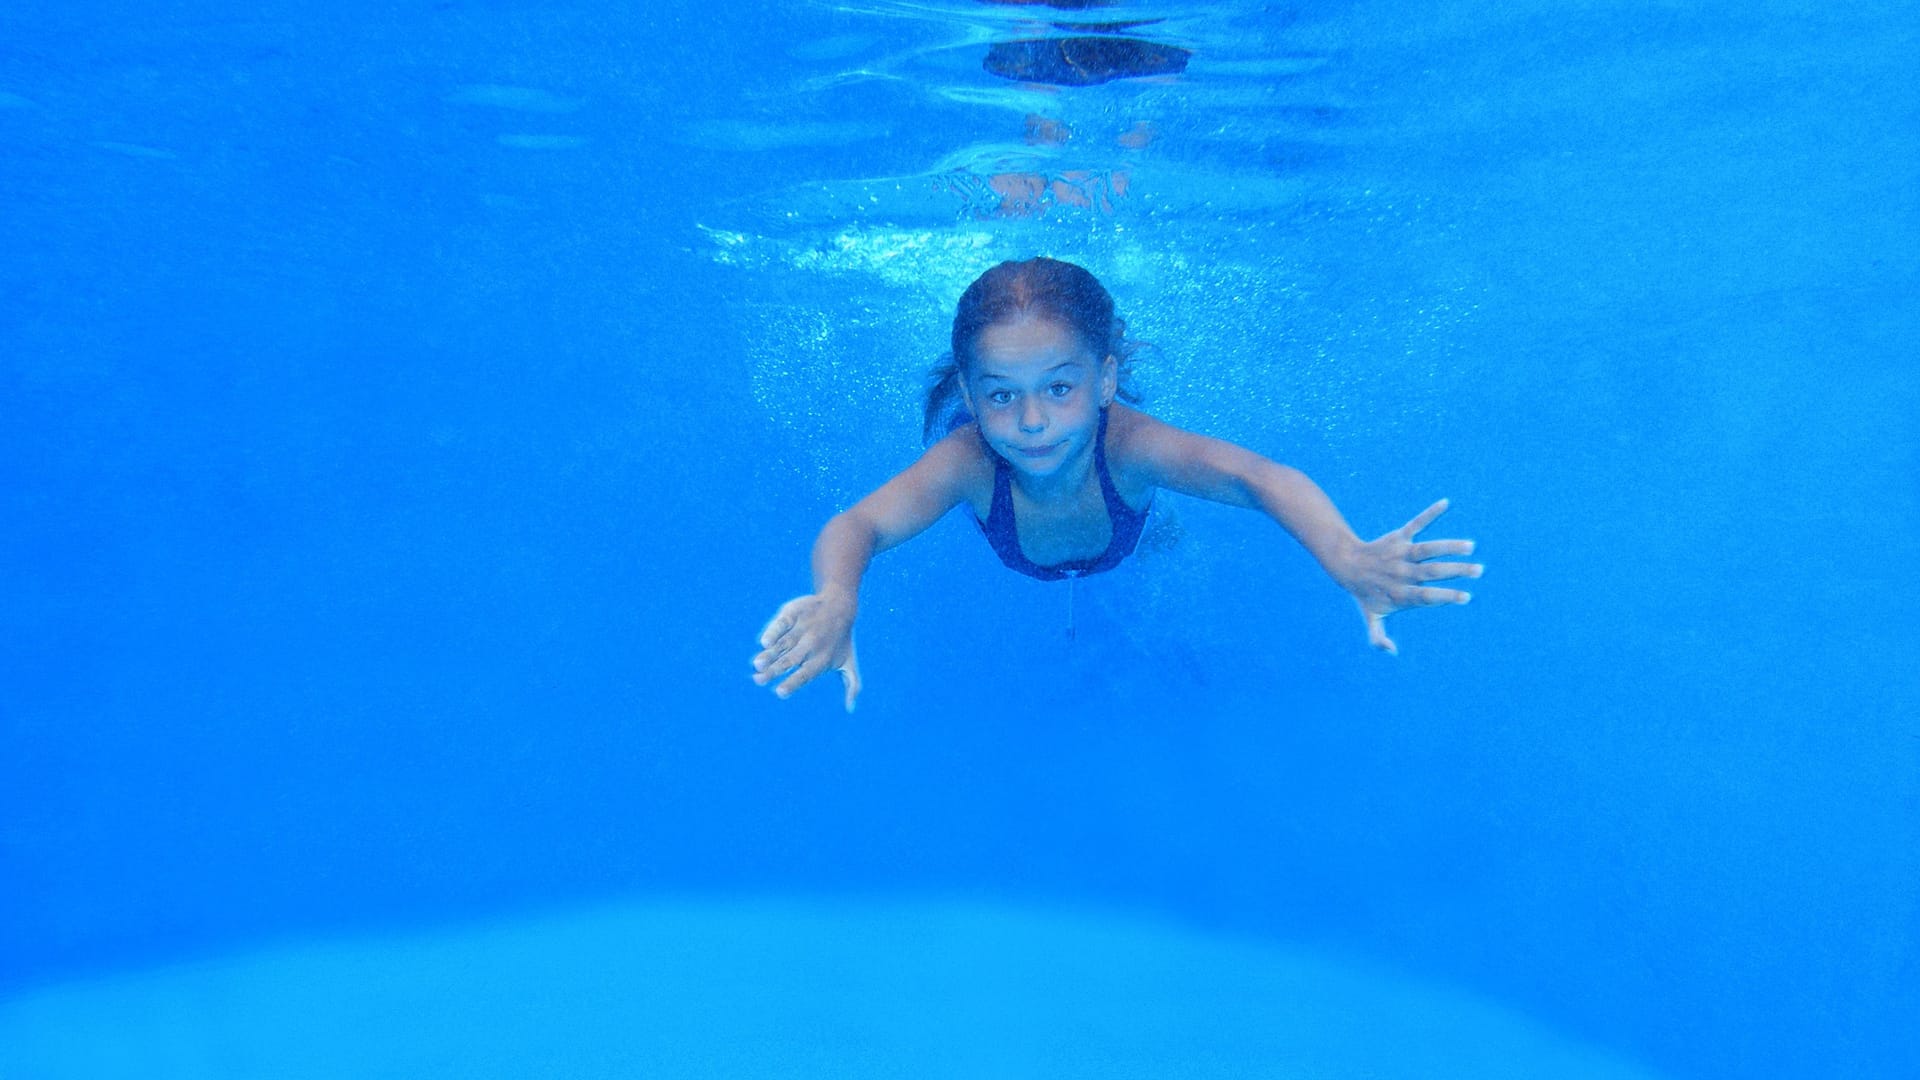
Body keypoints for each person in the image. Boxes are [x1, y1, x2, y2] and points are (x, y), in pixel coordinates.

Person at [752, 258, 1483, 711]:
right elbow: (858, 526)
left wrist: (1345, 556)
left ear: (1104, 380)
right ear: (971, 399)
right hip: (1022, 542)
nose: (1033, 421)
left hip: (1127, 527)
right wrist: (839, 597)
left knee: (1161, 545)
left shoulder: (1130, 446)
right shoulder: (969, 461)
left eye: (1060, 388)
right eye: (1002, 395)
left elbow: (1258, 479)